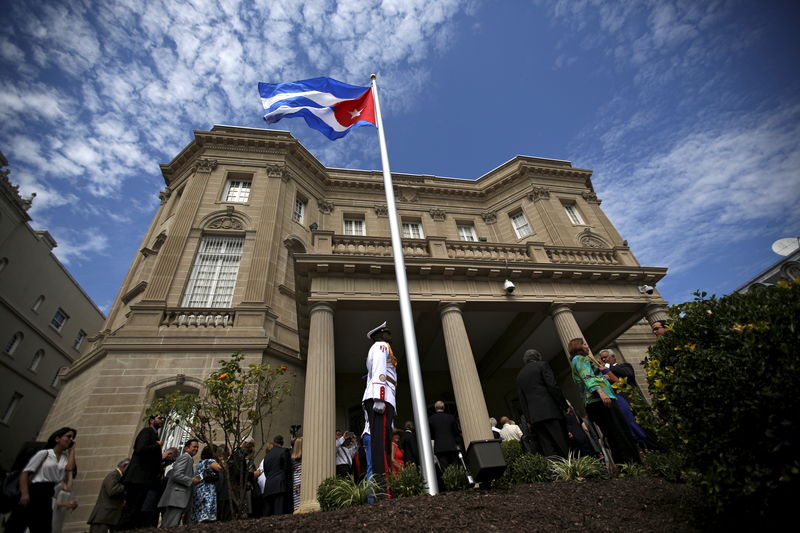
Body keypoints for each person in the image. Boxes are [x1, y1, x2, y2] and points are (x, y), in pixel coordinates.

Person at [568, 338, 640, 465]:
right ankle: (630, 464)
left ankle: (627, 464)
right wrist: (601, 392)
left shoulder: (583, 359)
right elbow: (587, 377)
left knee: (616, 433)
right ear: (578, 346)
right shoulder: (579, 359)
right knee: (617, 433)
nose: (587, 346)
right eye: (584, 344)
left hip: (599, 400)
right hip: (599, 400)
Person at [6, 427, 77, 533]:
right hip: (34, 490)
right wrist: (25, 494)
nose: (71, 439)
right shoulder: (45, 454)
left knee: (44, 528)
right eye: (68, 436)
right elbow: (25, 473)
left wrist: (72, 450)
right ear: (57, 439)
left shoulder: (65, 458)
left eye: (73, 437)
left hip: (47, 493)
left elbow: (70, 469)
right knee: (17, 526)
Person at [361, 321, 397, 497]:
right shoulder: (381, 346)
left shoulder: (379, 347)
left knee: (382, 443)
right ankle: (383, 490)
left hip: (383, 394)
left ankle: (382, 488)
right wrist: (380, 396)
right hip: (382, 395)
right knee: (381, 445)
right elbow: (379, 370)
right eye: (385, 333)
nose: (389, 336)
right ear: (378, 336)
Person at [517, 348, 570, 458]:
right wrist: (564, 406)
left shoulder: (520, 375)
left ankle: (556, 473)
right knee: (561, 443)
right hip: (550, 411)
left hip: (535, 418)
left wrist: (528, 419)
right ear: (538, 357)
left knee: (548, 448)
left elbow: (522, 400)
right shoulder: (542, 365)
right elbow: (552, 386)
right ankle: (571, 471)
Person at [118, 415, 165, 530]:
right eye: (159, 418)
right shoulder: (146, 432)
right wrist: (156, 445)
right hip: (137, 478)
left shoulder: (154, 434)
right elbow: (140, 449)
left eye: (163, 419)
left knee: (137, 510)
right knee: (131, 509)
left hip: (144, 480)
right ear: (151, 420)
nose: (162, 420)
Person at [158, 439, 200, 527]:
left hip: (178, 500)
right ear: (186, 448)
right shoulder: (185, 457)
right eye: (194, 447)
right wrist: (191, 480)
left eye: (197, 447)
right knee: (170, 526)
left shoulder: (189, 459)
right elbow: (176, 475)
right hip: (176, 499)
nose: (196, 449)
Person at [87, 459, 129, 533]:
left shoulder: (118, 476)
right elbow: (112, 491)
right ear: (124, 466)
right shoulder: (113, 475)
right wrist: (126, 485)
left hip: (110, 516)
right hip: (104, 516)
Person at [259, 435, 291, 516]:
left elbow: (266, 471)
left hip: (268, 486)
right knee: (279, 512)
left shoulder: (267, 456)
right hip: (280, 485)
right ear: (282, 442)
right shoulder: (284, 451)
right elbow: (287, 469)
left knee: (268, 512)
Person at [190, 444, 223, 523]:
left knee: (199, 514)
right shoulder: (210, 461)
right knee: (206, 515)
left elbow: (198, 477)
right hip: (207, 490)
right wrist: (221, 461)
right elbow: (220, 468)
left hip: (199, 489)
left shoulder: (201, 463)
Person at [428, 400, 460, 473]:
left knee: (445, 469)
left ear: (435, 408)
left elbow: (430, 434)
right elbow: (456, 432)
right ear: (444, 408)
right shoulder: (451, 417)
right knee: (455, 468)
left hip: (439, 448)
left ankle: (448, 483)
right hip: (452, 446)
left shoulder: (431, 419)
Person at [290, 437, 303, 512]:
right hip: (302, 479)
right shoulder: (305, 457)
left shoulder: (292, 458)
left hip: (295, 480)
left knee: (297, 504)